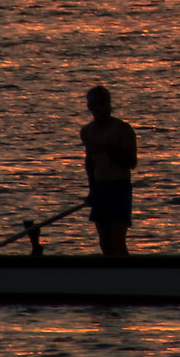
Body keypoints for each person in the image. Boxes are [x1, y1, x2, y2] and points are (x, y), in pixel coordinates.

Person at [79, 84, 137, 255]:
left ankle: (125, 275)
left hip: (119, 187)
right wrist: (92, 190)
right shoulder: (87, 131)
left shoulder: (122, 129)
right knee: (104, 242)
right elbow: (90, 162)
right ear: (90, 107)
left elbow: (131, 163)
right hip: (100, 187)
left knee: (117, 240)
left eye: (104, 103)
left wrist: (108, 149)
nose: (101, 108)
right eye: (96, 104)